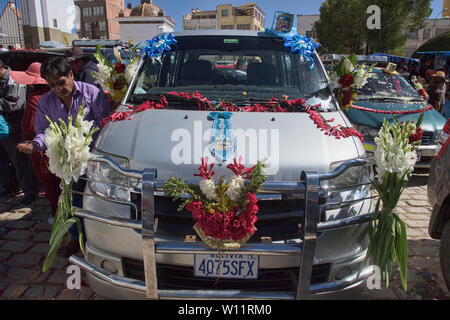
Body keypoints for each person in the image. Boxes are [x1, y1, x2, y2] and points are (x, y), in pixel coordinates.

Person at [18, 56, 111, 256]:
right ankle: (76, 239)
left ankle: (101, 241)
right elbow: (44, 131)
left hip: (93, 159)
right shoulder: (45, 101)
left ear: (70, 75)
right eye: (51, 85)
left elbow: (105, 125)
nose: (58, 89)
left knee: (96, 202)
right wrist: (35, 145)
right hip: (66, 162)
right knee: (70, 202)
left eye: (61, 83)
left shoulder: (92, 93)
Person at [14, 62, 61, 219]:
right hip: (59, 147)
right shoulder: (58, 95)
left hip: (41, 150)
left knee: (51, 187)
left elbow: (28, 126)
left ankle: (58, 218)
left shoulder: (35, 99)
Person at [0, 58, 40, 204]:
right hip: (3, 127)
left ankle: (30, 191)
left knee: (21, 162)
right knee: (5, 161)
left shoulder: (14, 80)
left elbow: (14, 105)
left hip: (15, 128)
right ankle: (10, 186)